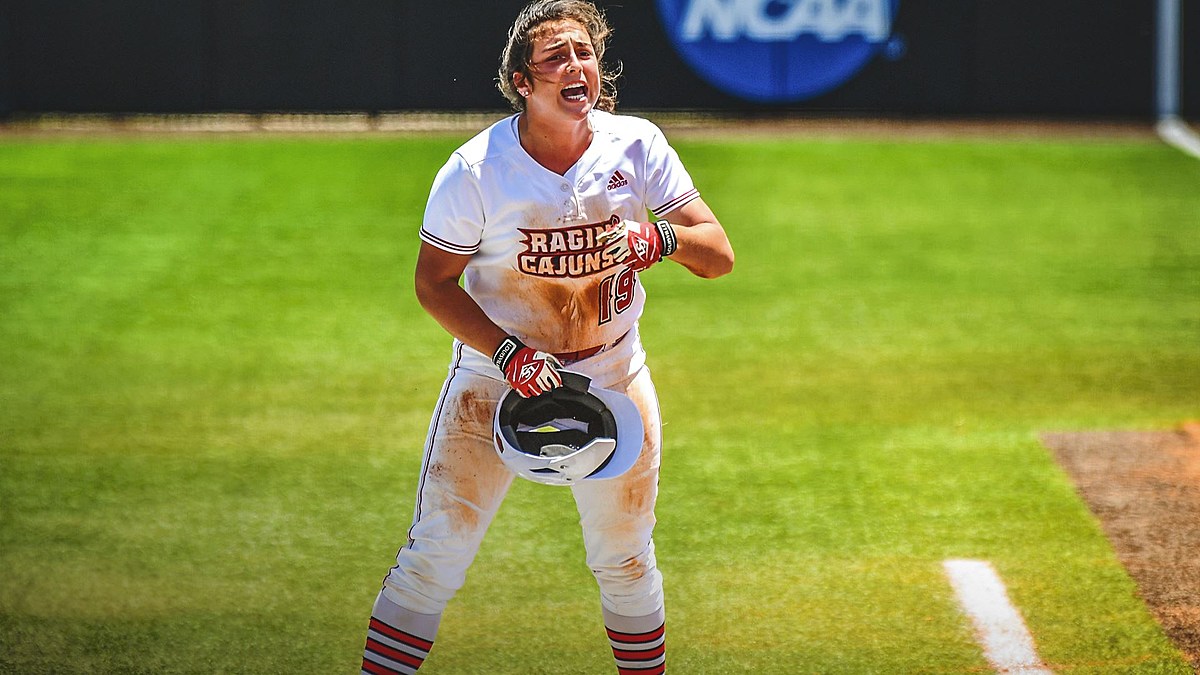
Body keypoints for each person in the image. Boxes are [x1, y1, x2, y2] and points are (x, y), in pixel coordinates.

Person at [361, 1, 734, 673]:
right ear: (521, 82)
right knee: (436, 551)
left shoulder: (637, 145)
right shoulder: (476, 171)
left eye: (584, 52)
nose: (575, 65)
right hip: (493, 374)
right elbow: (432, 282)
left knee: (625, 556)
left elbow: (718, 252)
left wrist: (662, 237)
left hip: (613, 370)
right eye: (555, 57)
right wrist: (507, 352)